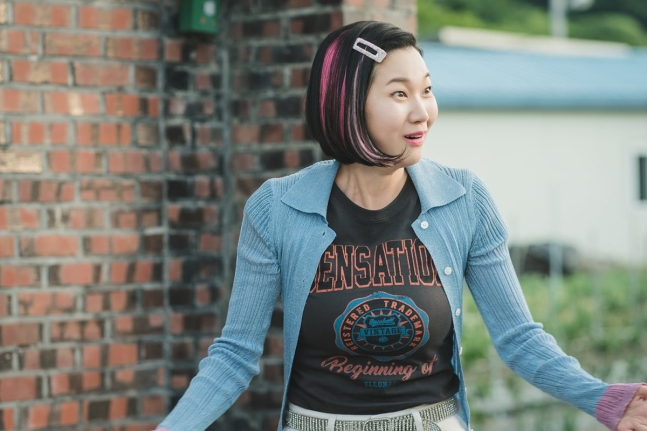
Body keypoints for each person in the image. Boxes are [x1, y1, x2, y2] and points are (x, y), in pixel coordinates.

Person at [152, 21, 647, 431]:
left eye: (426, 90)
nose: (422, 111)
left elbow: (519, 338)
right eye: (399, 93)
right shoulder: (277, 209)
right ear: (347, 103)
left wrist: (603, 399)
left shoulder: (464, 199)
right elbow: (235, 355)